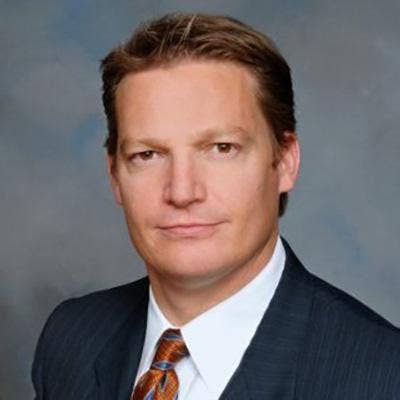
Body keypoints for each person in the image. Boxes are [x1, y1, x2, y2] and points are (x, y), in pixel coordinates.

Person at [32, 12, 400, 400]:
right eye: (147, 154)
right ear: (114, 175)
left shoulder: (384, 377)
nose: (182, 191)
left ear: (285, 162)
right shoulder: (72, 338)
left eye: (222, 149)